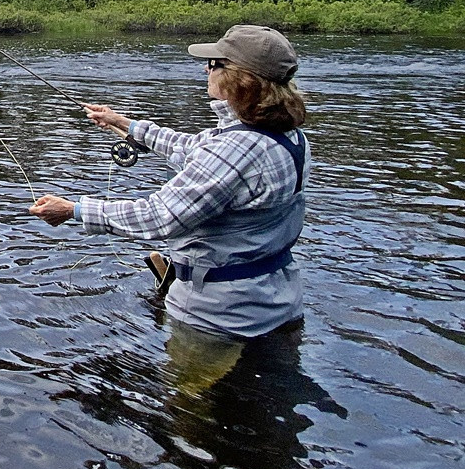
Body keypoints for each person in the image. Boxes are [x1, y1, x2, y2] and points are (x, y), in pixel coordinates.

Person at [30, 25, 310, 341]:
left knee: (190, 391)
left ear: (240, 80)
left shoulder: (235, 149)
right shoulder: (286, 135)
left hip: (221, 318)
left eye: (215, 64)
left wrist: (74, 210)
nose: (207, 68)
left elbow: (161, 216)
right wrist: (122, 123)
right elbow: (192, 148)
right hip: (275, 300)